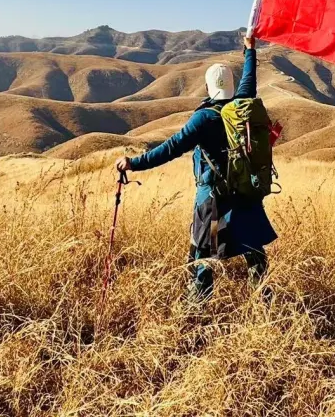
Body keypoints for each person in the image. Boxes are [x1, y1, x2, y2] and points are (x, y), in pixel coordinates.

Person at [115, 34, 277, 300]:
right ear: (232, 85)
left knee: (205, 251)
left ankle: (197, 305)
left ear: (208, 87)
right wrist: (250, 50)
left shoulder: (203, 119)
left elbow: (171, 148)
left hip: (213, 200)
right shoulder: (243, 106)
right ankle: (262, 299)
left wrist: (134, 163)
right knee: (252, 247)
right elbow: (250, 80)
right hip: (244, 192)